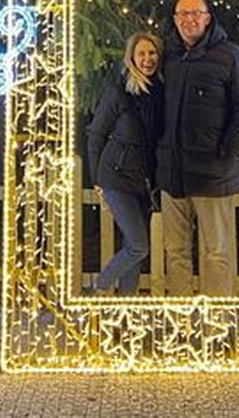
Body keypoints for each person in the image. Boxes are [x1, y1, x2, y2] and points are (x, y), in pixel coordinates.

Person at [157, 0, 239, 296]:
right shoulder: (169, 57)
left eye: (195, 13)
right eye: (182, 14)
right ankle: (181, 328)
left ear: (208, 17)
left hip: (213, 176)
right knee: (175, 254)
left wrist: (227, 154)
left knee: (217, 254)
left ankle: (218, 328)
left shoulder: (230, 55)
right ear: (175, 21)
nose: (188, 19)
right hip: (172, 175)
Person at [86, 32, 164, 295]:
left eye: (152, 53)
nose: (147, 59)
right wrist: (95, 176)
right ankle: (97, 287)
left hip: (144, 182)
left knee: (134, 246)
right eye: (141, 53)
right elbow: (96, 133)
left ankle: (124, 307)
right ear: (131, 58)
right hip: (115, 176)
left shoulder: (162, 92)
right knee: (139, 245)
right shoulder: (118, 92)